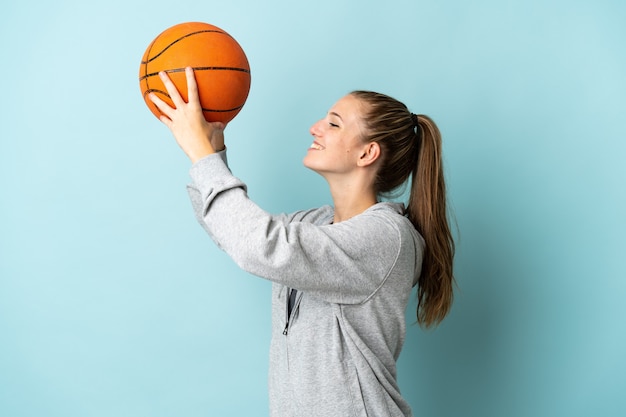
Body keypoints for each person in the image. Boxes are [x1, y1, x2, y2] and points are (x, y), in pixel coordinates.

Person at [149, 67, 455, 417]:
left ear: (367, 153)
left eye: (334, 123)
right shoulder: (313, 223)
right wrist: (213, 153)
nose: (315, 127)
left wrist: (203, 159)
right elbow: (231, 232)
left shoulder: (388, 237)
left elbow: (258, 246)